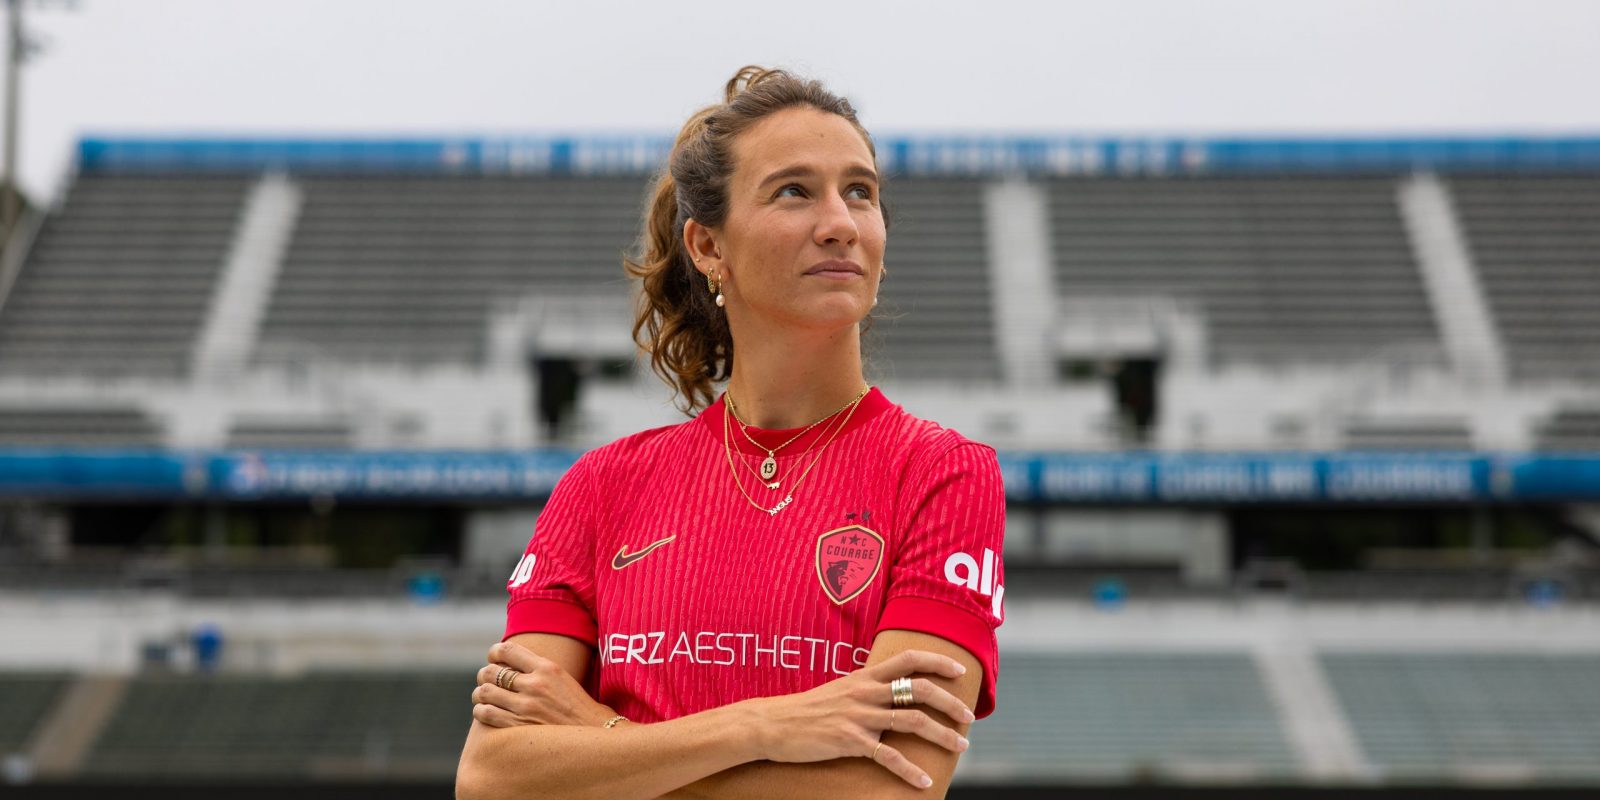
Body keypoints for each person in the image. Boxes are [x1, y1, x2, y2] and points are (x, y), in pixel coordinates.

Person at [455, 66, 1006, 800]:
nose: (841, 221)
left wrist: (603, 740)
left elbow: (887, 787)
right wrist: (762, 729)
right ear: (708, 246)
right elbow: (494, 776)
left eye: (860, 191)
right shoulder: (602, 486)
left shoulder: (943, 473)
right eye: (793, 191)